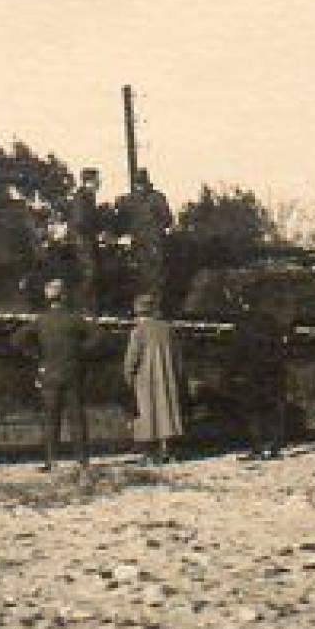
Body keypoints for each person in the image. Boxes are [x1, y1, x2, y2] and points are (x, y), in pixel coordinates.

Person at [12, 279, 108, 471]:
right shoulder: (75, 319)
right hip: (73, 372)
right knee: (77, 417)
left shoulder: (41, 320)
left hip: (49, 373)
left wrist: (38, 356)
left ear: (48, 299)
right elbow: (99, 335)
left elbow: (17, 339)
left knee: (51, 418)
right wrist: (80, 351)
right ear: (64, 297)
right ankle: (82, 461)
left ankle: (51, 461)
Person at [123, 293, 186, 464]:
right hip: (168, 377)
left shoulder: (138, 331)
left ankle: (150, 455)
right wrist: (178, 376)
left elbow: (132, 359)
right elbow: (179, 357)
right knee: (168, 413)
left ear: (138, 312)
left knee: (147, 414)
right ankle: (170, 453)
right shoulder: (168, 329)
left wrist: (128, 376)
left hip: (146, 378)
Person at [226, 292, 289, 461]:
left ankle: (258, 448)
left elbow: (237, 351)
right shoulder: (271, 322)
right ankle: (275, 449)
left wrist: (231, 373)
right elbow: (281, 349)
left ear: (245, 305)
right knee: (273, 411)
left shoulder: (242, 324)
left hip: (250, 374)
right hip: (272, 373)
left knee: (253, 412)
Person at [124, 169, 174, 299]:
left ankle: (156, 306)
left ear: (147, 182)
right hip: (138, 242)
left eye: (141, 183)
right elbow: (123, 220)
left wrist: (155, 230)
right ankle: (143, 304)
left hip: (153, 242)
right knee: (140, 272)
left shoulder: (156, 198)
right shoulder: (130, 200)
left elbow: (168, 219)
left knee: (156, 272)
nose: (139, 186)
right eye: (137, 183)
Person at [69, 168, 104, 315]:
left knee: (91, 274)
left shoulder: (87, 196)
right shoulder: (82, 197)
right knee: (89, 274)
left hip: (86, 239)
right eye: (97, 180)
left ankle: (90, 308)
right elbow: (80, 221)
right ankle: (86, 309)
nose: (99, 183)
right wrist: (96, 233)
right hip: (83, 241)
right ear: (89, 181)